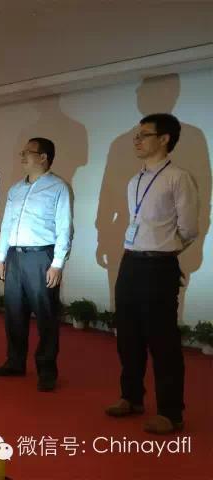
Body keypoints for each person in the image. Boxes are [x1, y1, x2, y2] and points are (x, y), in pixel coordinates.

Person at [105, 113, 198, 434]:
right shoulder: (135, 180)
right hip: (130, 262)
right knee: (127, 335)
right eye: (137, 135)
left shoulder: (178, 178)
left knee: (162, 340)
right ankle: (131, 397)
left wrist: (164, 250)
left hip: (159, 265)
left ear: (164, 139)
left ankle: (171, 412)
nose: (137, 140)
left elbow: (189, 229)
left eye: (144, 135)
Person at [0, 138, 72, 392]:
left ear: (44, 157)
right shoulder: (15, 189)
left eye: (28, 152)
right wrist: (1, 257)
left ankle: (47, 370)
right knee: (14, 313)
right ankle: (15, 362)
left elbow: (65, 227)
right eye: (22, 152)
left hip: (41, 256)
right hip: (14, 256)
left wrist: (57, 264)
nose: (22, 156)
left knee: (46, 315)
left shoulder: (58, 187)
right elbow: (6, 225)